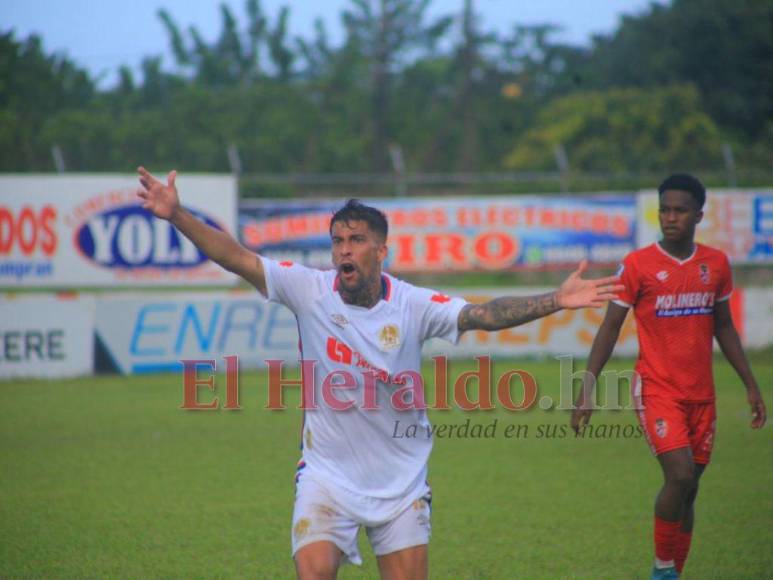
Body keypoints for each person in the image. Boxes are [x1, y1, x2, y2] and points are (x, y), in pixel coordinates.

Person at [137, 166, 623, 580]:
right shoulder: (308, 289)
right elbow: (236, 256)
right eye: (337, 242)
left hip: (401, 482)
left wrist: (556, 300)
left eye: (356, 240)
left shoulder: (412, 305)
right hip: (326, 475)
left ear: (381, 250)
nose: (344, 250)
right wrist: (177, 214)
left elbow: (484, 315)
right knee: (314, 571)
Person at [571, 173, 767, 580]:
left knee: (689, 489)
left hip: (703, 396)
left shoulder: (715, 265)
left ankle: (674, 571)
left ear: (698, 214)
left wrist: (750, 384)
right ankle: (662, 571)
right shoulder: (639, 265)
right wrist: (587, 389)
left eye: (680, 210)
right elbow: (609, 330)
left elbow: (725, 328)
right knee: (678, 476)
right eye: (665, 210)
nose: (671, 217)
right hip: (657, 390)